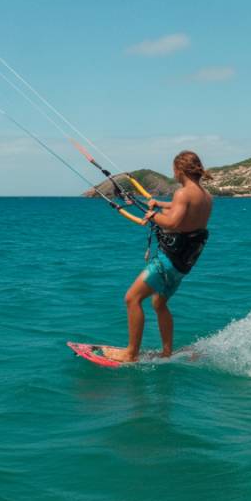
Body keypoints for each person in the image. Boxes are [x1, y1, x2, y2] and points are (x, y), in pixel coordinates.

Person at [102, 151, 213, 363]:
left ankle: (131, 353)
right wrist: (161, 205)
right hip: (184, 262)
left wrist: (154, 216)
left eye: (174, 169)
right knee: (159, 304)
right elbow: (184, 211)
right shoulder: (206, 196)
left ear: (179, 170)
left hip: (168, 260)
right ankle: (166, 352)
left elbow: (173, 224)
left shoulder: (182, 193)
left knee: (132, 298)